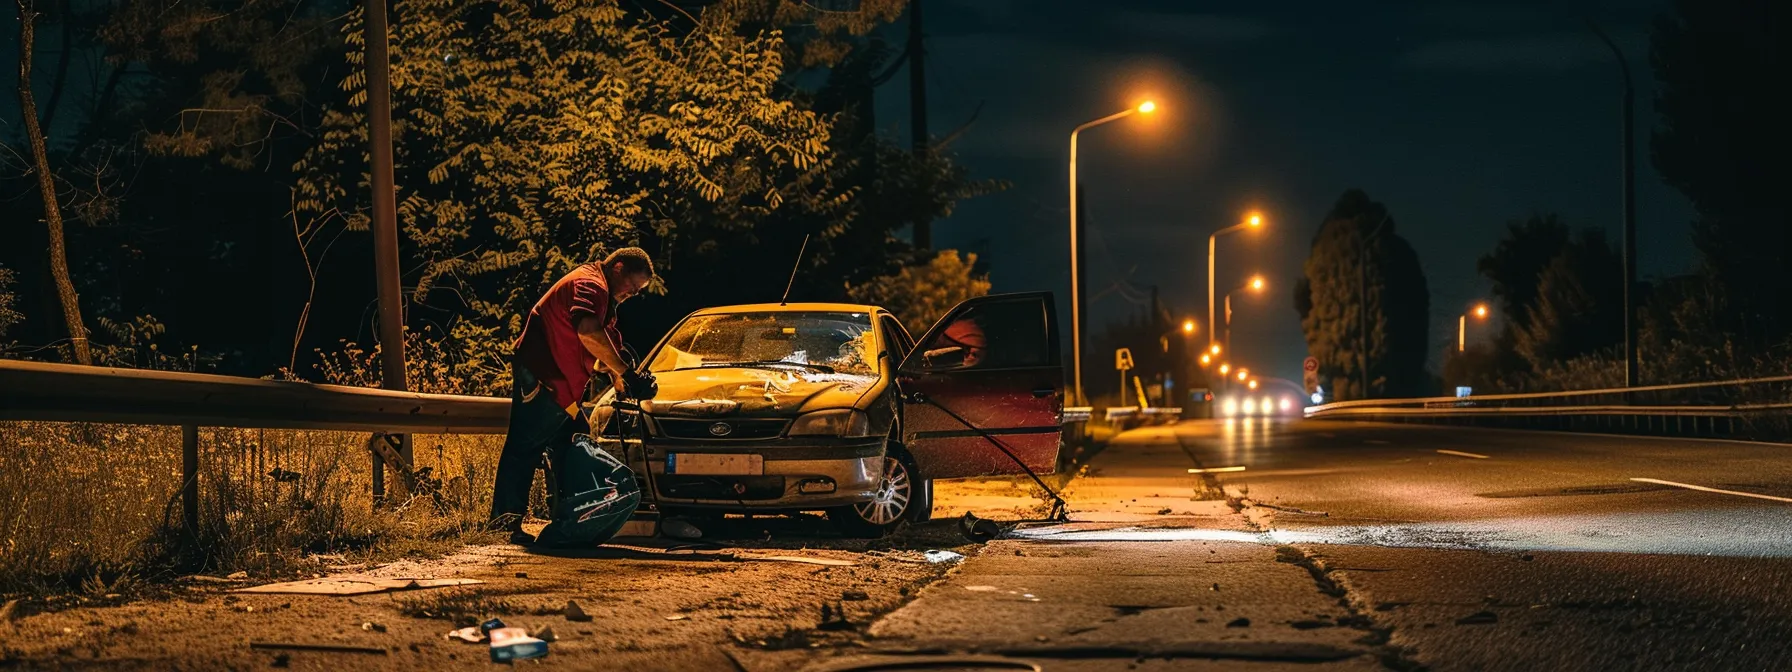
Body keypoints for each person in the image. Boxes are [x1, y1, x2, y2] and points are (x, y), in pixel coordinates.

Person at [490, 247, 655, 545]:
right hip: (543, 374)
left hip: (559, 381)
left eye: (637, 291)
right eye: (632, 286)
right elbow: (589, 333)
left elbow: (602, 349)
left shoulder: (601, 293)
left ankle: (568, 520)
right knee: (526, 445)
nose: (632, 294)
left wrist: (624, 377)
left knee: (573, 437)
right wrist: (627, 374)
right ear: (618, 267)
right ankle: (505, 524)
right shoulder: (592, 285)